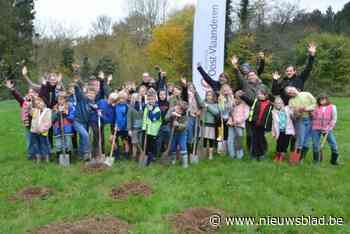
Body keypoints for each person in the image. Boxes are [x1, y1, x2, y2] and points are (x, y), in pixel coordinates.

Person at [231, 55, 268, 157]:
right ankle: (252, 152)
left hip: (260, 112)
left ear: (256, 76)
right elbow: (238, 75)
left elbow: (267, 97)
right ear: (247, 77)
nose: (251, 76)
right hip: (248, 111)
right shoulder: (245, 85)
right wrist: (235, 66)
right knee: (250, 134)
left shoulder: (263, 86)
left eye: (253, 75)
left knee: (260, 134)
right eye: (250, 75)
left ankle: (262, 152)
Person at [4, 80, 38, 159]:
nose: (31, 94)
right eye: (29, 92)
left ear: (36, 93)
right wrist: (12, 89)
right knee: (29, 140)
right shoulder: (24, 101)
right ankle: (31, 155)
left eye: (33, 92)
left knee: (37, 140)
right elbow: (18, 96)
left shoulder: (38, 101)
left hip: (37, 124)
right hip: (28, 124)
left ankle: (38, 155)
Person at [239, 88, 273, 161]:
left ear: (266, 95)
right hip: (254, 124)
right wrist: (242, 96)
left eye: (261, 94)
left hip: (262, 126)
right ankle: (254, 155)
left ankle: (261, 154)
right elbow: (248, 100)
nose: (259, 95)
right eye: (258, 94)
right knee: (254, 140)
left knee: (260, 139)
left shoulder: (270, 104)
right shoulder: (255, 101)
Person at [286, 86, 316, 164]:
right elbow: (291, 114)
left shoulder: (307, 94)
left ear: (295, 88)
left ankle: (301, 158)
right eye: (289, 93)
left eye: (291, 90)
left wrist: (306, 109)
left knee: (307, 140)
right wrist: (296, 114)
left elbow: (315, 104)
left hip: (311, 119)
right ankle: (294, 159)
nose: (291, 92)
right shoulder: (291, 101)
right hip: (300, 121)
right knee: (300, 140)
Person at [311, 94, 339, 165]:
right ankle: (316, 161)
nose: (322, 101)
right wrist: (312, 112)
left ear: (327, 99)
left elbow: (334, 119)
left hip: (327, 129)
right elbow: (313, 117)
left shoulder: (332, 107)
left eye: (324, 99)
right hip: (316, 128)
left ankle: (334, 161)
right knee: (315, 145)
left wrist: (329, 128)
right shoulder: (316, 107)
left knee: (333, 144)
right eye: (320, 100)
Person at [194, 89, 220, 160]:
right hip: (203, 123)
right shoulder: (203, 103)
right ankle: (204, 154)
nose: (208, 96)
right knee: (204, 139)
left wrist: (207, 106)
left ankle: (210, 154)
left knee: (210, 139)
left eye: (210, 95)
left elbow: (216, 112)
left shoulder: (215, 104)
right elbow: (199, 101)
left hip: (211, 124)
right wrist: (196, 93)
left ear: (212, 96)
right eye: (207, 95)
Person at [52, 93, 76, 160]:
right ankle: (59, 157)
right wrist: (57, 113)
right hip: (57, 129)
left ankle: (69, 157)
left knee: (68, 143)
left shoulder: (69, 107)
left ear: (65, 100)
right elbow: (52, 119)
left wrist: (66, 114)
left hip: (67, 128)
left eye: (62, 99)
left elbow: (72, 117)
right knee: (58, 144)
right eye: (59, 99)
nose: (61, 101)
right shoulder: (55, 108)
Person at [165, 101, 189, 168]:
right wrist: (171, 116)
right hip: (172, 132)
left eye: (181, 110)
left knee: (182, 145)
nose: (178, 111)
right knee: (172, 146)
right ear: (177, 106)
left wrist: (178, 125)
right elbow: (165, 118)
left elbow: (185, 125)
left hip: (182, 132)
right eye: (178, 108)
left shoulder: (185, 114)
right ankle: (173, 160)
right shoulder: (171, 109)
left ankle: (185, 163)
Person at [227, 91, 250, 159]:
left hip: (239, 125)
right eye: (236, 97)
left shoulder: (245, 105)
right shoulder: (233, 103)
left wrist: (237, 121)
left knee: (238, 140)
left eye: (239, 98)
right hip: (231, 124)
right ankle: (232, 155)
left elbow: (246, 116)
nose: (237, 99)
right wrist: (231, 108)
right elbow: (229, 112)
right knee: (230, 140)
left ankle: (239, 155)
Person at [271, 97, 295, 162]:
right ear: (274, 104)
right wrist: (273, 133)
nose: (278, 104)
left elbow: (292, 112)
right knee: (279, 144)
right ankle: (277, 155)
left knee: (285, 144)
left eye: (279, 103)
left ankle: (282, 156)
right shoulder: (273, 112)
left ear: (282, 103)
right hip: (279, 131)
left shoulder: (287, 109)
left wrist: (291, 110)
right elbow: (273, 124)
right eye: (276, 103)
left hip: (287, 131)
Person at [142, 88, 162, 165]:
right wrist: (144, 127)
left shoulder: (157, 109)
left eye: (152, 99)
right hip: (146, 129)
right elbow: (144, 118)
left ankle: (152, 158)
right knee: (146, 145)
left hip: (153, 131)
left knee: (152, 146)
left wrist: (150, 110)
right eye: (149, 99)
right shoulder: (146, 107)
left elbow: (153, 118)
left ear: (155, 100)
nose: (150, 101)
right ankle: (146, 159)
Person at [30, 97, 52, 163]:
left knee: (44, 144)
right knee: (36, 144)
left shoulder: (48, 111)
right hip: (34, 131)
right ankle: (38, 158)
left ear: (43, 103)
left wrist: (42, 130)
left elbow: (48, 123)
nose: (38, 105)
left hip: (43, 132)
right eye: (36, 104)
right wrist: (31, 102)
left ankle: (47, 158)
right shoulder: (35, 110)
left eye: (39, 103)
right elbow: (31, 115)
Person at [218, 84, 235, 154]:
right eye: (224, 90)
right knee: (221, 134)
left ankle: (228, 150)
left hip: (229, 119)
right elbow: (221, 109)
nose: (226, 92)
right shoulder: (221, 98)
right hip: (222, 118)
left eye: (227, 90)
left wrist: (230, 102)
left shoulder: (231, 97)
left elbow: (233, 107)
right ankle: (221, 151)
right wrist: (227, 105)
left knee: (228, 135)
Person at [114, 91, 130, 160]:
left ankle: (127, 155)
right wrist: (115, 125)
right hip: (117, 127)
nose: (121, 100)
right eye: (120, 98)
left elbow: (126, 119)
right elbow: (116, 116)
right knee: (112, 139)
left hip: (124, 128)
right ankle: (117, 153)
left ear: (126, 99)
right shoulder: (116, 106)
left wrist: (121, 127)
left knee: (125, 142)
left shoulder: (127, 107)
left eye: (123, 99)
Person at [127, 93, 144, 160]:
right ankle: (134, 156)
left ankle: (140, 156)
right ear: (133, 99)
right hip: (134, 128)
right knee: (134, 142)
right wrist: (129, 129)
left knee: (140, 142)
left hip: (142, 128)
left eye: (138, 97)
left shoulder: (142, 106)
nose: (137, 99)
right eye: (135, 97)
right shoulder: (131, 108)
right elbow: (129, 119)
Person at [156, 89, 170, 157]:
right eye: (160, 94)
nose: (162, 96)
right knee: (159, 141)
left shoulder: (168, 103)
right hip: (158, 125)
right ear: (158, 95)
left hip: (166, 124)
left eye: (163, 94)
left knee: (167, 140)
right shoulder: (156, 103)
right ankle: (157, 154)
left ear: (166, 95)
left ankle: (167, 154)